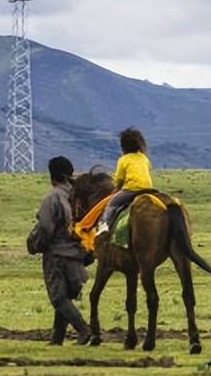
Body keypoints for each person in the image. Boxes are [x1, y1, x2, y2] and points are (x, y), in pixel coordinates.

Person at [28, 156, 91, 346]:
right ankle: (57, 339)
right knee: (65, 297)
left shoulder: (52, 197)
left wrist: (37, 245)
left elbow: (46, 228)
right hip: (77, 255)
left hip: (57, 254)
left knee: (57, 298)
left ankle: (84, 330)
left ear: (52, 176)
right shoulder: (79, 197)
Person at [96, 127, 153, 235]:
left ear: (123, 146)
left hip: (131, 189)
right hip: (148, 188)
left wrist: (116, 189)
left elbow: (120, 179)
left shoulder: (123, 159)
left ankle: (104, 226)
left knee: (111, 205)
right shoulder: (144, 158)